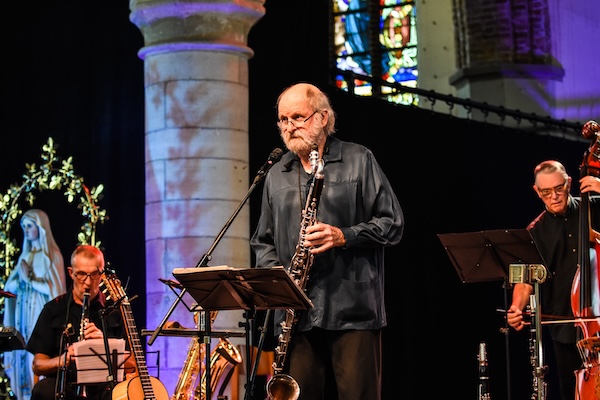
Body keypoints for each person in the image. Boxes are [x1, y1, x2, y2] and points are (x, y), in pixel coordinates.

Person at [250, 82, 404, 400]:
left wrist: (342, 235)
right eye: (283, 119)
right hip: (297, 314)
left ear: (321, 117)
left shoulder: (359, 159)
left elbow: (393, 224)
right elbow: (262, 242)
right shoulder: (276, 173)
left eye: (297, 117)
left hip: (354, 310)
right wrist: (282, 280)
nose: (289, 126)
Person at [506, 159, 600, 400]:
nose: (554, 196)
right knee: (571, 390)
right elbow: (525, 279)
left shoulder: (594, 208)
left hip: (597, 321)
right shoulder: (535, 232)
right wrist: (516, 307)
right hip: (565, 326)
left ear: (569, 183)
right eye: (546, 192)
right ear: (537, 192)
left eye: (559, 189)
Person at [26, 244, 136, 400]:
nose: (88, 282)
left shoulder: (116, 311)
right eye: (81, 274)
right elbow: (38, 364)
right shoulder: (53, 309)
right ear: (71, 273)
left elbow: (133, 363)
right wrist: (65, 358)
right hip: (66, 387)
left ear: (102, 274)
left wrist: (105, 345)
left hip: (104, 388)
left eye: (94, 274)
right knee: (43, 390)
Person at [3, 209, 67, 400]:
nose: (26, 230)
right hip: (24, 310)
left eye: (30, 226)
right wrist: (19, 281)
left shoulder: (52, 255)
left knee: (36, 350)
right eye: (24, 227)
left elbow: (55, 289)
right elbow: (11, 285)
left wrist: (29, 280)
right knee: (22, 353)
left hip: (40, 309)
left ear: (41, 227)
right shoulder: (26, 255)